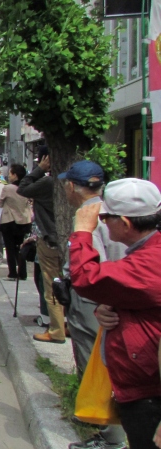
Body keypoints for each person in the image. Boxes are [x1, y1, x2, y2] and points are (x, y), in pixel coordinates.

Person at [69, 178, 161, 449]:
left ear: (125, 223)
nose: (102, 223)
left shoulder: (149, 262)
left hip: (148, 392)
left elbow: (86, 277)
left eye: (105, 218)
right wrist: (111, 306)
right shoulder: (148, 252)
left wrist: (83, 232)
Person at [59, 161, 128, 449]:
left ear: (72, 186)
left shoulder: (89, 216)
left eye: (66, 183)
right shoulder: (116, 211)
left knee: (96, 363)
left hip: (96, 303)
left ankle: (111, 437)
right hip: (115, 299)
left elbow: (91, 269)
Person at [18, 146, 65, 344]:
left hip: (51, 239)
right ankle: (67, 324)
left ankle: (56, 330)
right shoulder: (71, 181)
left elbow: (23, 187)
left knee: (51, 284)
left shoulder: (48, 182)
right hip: (73, 240)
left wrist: (39, 169)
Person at [0, 165, 33, 281]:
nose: (9, 175)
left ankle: (12, 273)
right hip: (24, 221)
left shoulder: (8, 188)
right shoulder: (28, 187)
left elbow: (0, 203)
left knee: (10, 248)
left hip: (9, 221)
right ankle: (23, 273)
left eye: (11, 173)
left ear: (15, 175)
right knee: (20, 247)